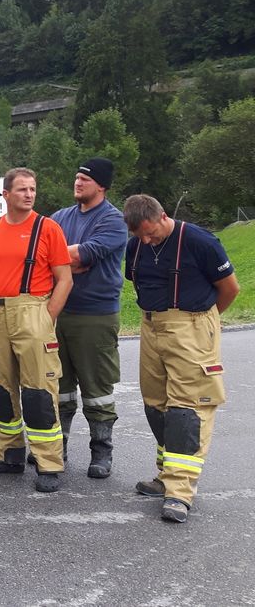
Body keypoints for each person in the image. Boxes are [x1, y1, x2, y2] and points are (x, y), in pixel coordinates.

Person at [123, 194, 240, 523]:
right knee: (156, 403)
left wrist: (205, 325)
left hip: (192, 324)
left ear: (162, 216)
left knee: (188, 409)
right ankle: (165, 475)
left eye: (151, 233)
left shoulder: (200, 242)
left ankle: (180, 492)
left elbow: (230, 288)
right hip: (151, 325)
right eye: (139, 237)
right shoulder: (137, 246)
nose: (146, 240)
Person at [0, 167, 72, 493]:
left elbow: (64, 280)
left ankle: (48, 463)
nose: (29, 194)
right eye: (22, 190)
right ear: (6, 195)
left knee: (38, 392)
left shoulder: (48, 228)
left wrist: (46, 318)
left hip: (33, 309)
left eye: (32, 189)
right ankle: (9, 454)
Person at [50, 158, 128, 478]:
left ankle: (101, 452)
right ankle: (59, 449)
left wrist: (63, 259)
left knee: (98, 389)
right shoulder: (59, 217)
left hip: (96, 314)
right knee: (59, 387)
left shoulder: (113, 220)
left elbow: (82, 256)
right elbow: (58, 258)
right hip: (59, 311)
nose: (78, 183)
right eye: (77, 177)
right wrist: (67, 260)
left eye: (86, 179)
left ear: (102, 186)